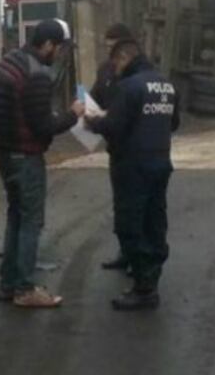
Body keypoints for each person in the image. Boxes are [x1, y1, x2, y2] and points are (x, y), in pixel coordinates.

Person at [0, 18, 84, 308]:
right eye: (59, 48)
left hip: (5, 154)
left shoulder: (6, 64)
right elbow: (43, 126)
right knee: (31, 221)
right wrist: (72, 114)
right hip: (27, 157)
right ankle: (25, 289)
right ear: (47, 45)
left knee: (15, 217)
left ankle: (9, 284)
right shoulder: (37, 74)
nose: (60, 54)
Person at [87, 40, 180, 311]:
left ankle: (144, 288)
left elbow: (114, 127)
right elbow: (173, 122)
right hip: (160, 162)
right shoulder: (167, 85)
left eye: (115, 62)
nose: (113, 68)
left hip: (131, 165)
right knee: (155, 220)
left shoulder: (129, 87)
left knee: (130, 223)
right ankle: (153, 275)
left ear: (125, 57)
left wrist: (93, 121)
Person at [90, 23, 135, 272]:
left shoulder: (138, 73)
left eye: (113, 48)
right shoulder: (105, 70)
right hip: (115, 149)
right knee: (120, 203)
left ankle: (137, 256)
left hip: (135, 149)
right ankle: (124, 251)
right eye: (107, 48)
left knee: (136, 205)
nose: (110, 54)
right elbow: (95, 98)